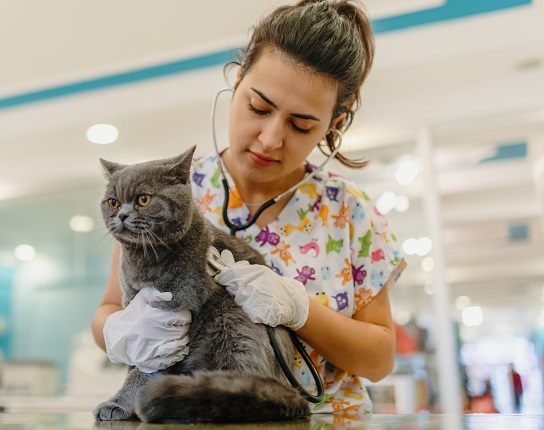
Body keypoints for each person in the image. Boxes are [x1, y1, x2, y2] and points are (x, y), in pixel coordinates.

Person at [92, 0, 406, 414]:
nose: (270, 138)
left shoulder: (350, 212)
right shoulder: (163, 190)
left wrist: (299, 309)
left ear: (333, 124)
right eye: (259, 107)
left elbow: (379, 358)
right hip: (185, 414)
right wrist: (117, 331)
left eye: (301, 124)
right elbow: (110, 309)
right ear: (236, 82)